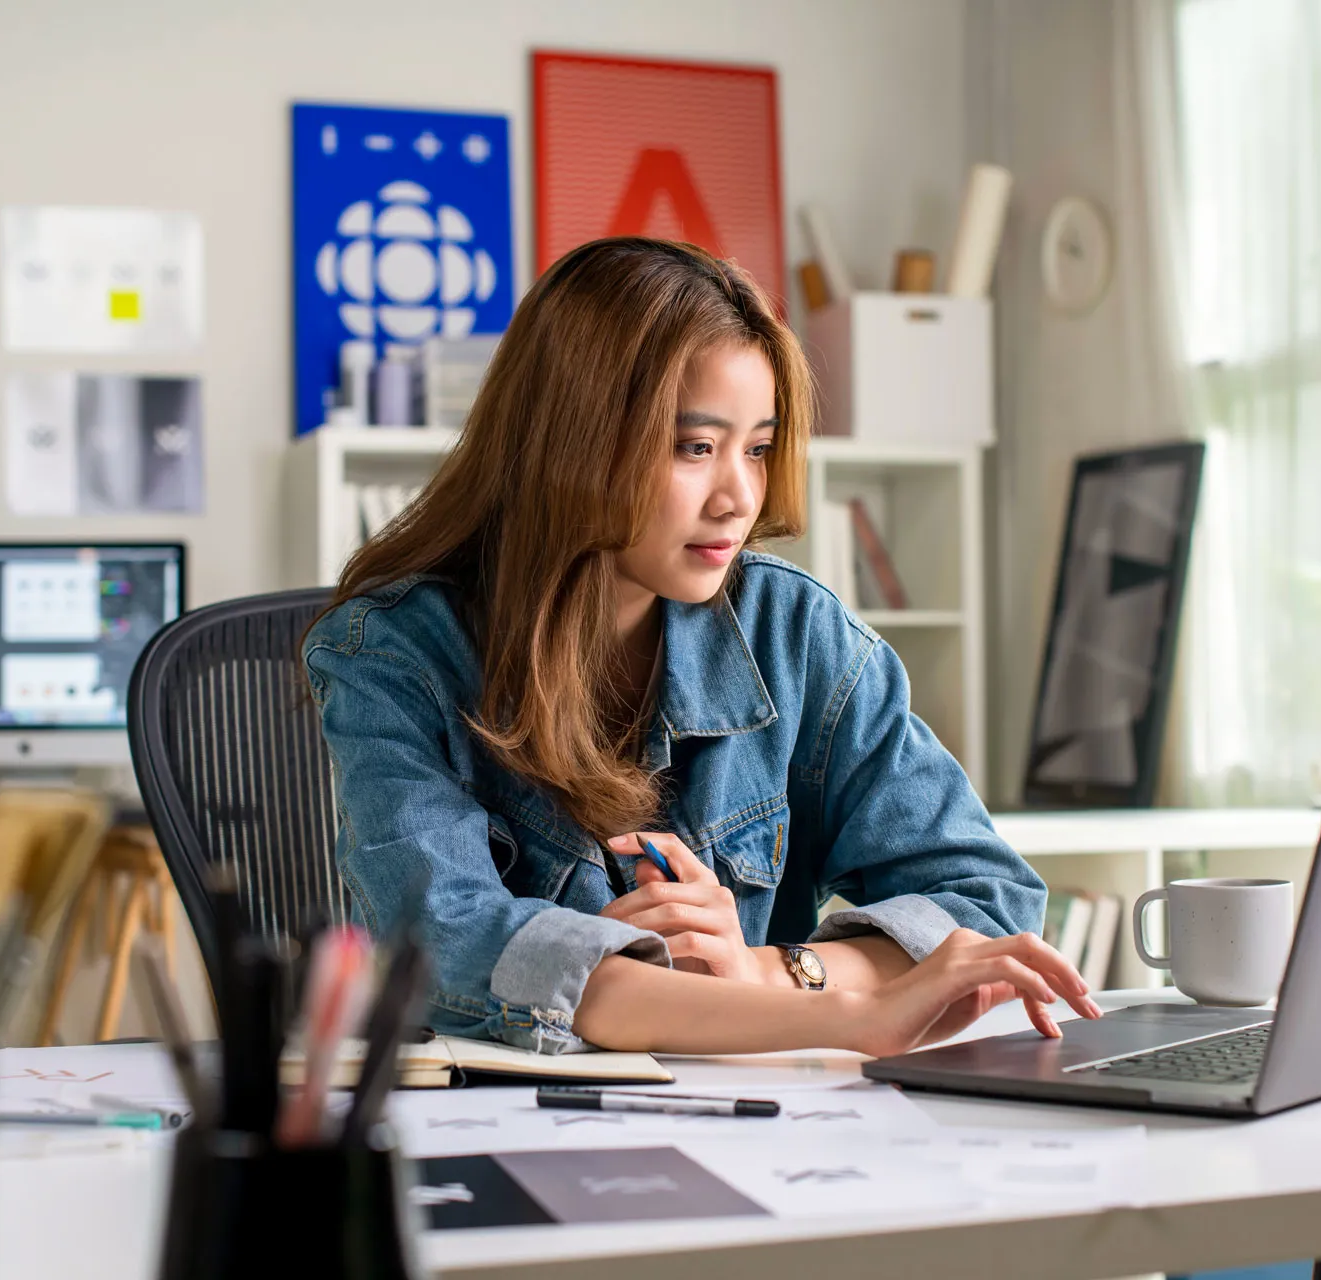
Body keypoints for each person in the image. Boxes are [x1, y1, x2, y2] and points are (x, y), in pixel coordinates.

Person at [302, 237, 1101, 1057]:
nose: (740, 498)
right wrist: (842, 1016)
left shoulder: (793, 633)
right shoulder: (390, 653)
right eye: (695, 447)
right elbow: (451, 945)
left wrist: (768, 974)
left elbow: (987, 898)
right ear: (573, 440)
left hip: (758, 1122)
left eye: (756, 448)